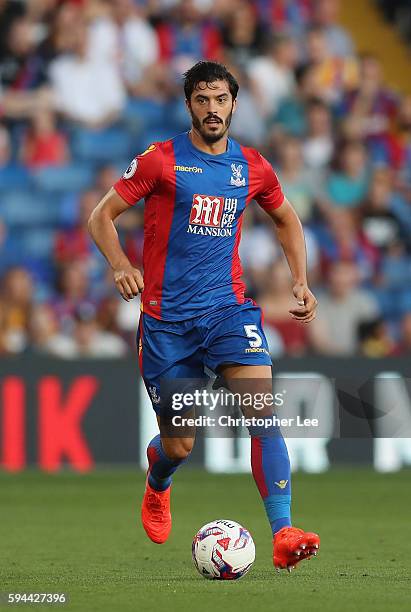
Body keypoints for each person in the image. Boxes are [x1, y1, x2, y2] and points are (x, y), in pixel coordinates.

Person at [88, 61, 320, 572]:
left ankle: (283, 532)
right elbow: (101, 216)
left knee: (262, 414)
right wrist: (122, 265)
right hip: (167, 324)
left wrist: (299, 279)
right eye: (202, 100)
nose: (212, 109)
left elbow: (286, 217)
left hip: (228, 313)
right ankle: (159, 477)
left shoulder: (253, 166)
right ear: (189, 105)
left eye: (221, 100)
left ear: (235, 104)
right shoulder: (160, 161)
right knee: (180, 442)